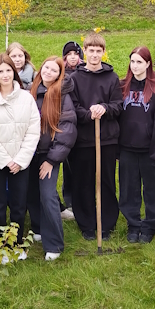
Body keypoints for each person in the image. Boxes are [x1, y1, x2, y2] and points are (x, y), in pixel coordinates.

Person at [0, 53, 40, 256]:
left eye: (8, 70)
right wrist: (4, 160)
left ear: (14, 71)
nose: (5, 75)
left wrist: (20, 160)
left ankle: (16, 242)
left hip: (20, 162)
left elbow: (33, 130)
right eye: (0, 71)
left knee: (18, 205)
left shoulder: (26, 98)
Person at [67, 33, 123, 240]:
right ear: (85, 52)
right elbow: (72, 108)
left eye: (99, 51)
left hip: (106, 139)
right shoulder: (74, 78)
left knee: (106, 180)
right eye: (91, 50)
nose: (95, 54)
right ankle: (87, 223)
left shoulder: (112, 77)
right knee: (83, 182)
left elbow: (118, 105)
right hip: (83, 140)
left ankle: (106, 223)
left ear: (103, 52)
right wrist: (88, 113)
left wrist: (104, 108)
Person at [27, 57, 77, 260]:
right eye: (46, 67)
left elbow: (67, 131)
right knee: (31, 194)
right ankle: (38, 228)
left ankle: (54, 244)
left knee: (48, 196)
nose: (48, 72)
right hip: (28, 153)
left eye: (54, 70)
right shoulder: (29, 91)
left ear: (59, 74)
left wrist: (51, 160)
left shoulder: (61, 95)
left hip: (48, 155)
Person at [118, 46, 155, 244]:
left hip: (149, 149)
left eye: (139, 62)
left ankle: (150, 225)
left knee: (152, 189)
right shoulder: (122, 86)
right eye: (132, 61)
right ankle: (133, 223)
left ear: (148, 63)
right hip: (127, 147)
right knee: (129, 189)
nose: (135, 65)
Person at [59, 40, 83, 220]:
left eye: (76, 54)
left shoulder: (83, 72)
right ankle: (70, 201)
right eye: (69, 54)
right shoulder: (60, 74)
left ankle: (84, 198)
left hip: (82, 123)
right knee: (67, 166)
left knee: (80, 165)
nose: (73, 57)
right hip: (66, 124)